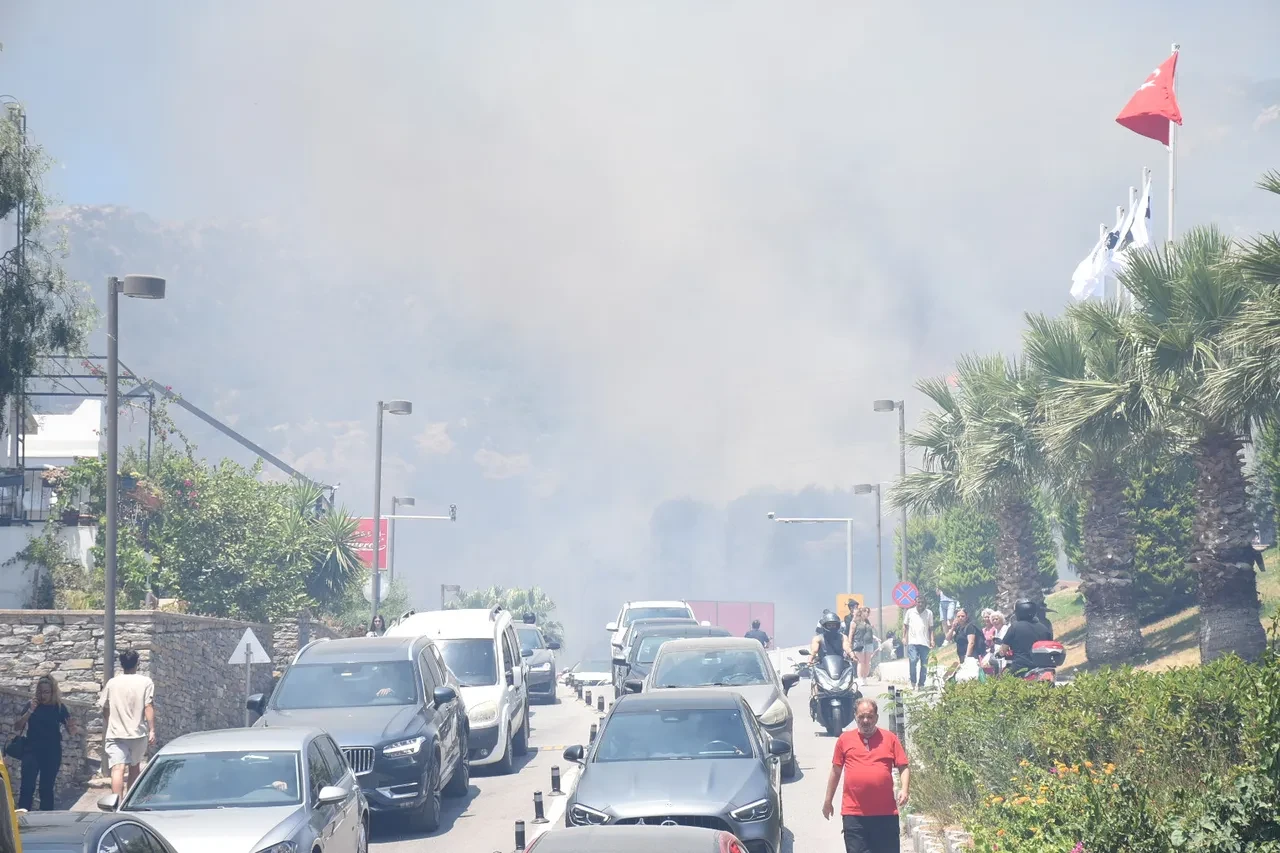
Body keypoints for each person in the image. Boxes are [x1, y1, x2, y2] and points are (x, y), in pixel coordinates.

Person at [823, 698, 910, 853]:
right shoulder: (844, 740)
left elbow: (903, 766)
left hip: (885, 814)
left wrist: (904, 789)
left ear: (876, 718)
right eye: (861, 716)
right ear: (855, 717)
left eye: (870, 717)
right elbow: (836, 771)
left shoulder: (890, 738)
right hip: (854, 815)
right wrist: (828, 801)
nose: (865, 720)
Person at [97, 649, 156, 798]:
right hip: (137, 733)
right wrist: (151, 730)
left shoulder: (112, 683)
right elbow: (148, 706)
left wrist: (111, 722)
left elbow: (105, 707)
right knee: (134, 768)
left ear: (122, 664)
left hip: (116, 733)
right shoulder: (145, 682)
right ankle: (129, 802)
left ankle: (116, 803)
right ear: (137, 663)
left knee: (117, 769)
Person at [14, 676, 78, 811]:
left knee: (46, 788)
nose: (43, 695)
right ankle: (22, 818)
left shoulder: (59, 707)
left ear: (52, 692)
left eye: (46, 692)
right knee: (27, 787)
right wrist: (30, 711)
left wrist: (72, 727)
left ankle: (46, 818)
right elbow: (17, 727)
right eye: (41, 692)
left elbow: (71, 732)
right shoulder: (31, 705)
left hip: (52, 752)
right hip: (31, 751)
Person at [998, 599, 1051, 675]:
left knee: (1004, 677)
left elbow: (1003, 650)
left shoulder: (1014, 627)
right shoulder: (1044, 628)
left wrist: (1000, 653)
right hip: (1042, 667)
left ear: (1018, 613)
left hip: (1021, 666)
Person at [902, 600, 933, 690]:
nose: (920, 604)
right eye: (918, 602)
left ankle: (921, 684)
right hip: (912, 642)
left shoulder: (929, 613)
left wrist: (932, 640)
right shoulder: (910, 612)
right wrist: (904, 637)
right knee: (913, 660)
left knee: (924, 664)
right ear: (915, 603)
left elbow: (931, 628)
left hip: (925, 642)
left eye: (922, 602)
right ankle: (913, 682)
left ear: (925, 604)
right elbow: (905, 625)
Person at [850, 608, 876, 686]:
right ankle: (860, 678)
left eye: (868, 612)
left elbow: (868, 632)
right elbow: (851, 634)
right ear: (861, 612)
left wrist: (875, 637)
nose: (867, 613)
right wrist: (850, 645)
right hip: (859, 643)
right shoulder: (855, 622)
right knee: (861, 661)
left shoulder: (867, 622)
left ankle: (865, 678)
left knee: (867, 662)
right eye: (865, 611)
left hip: (869, 643)